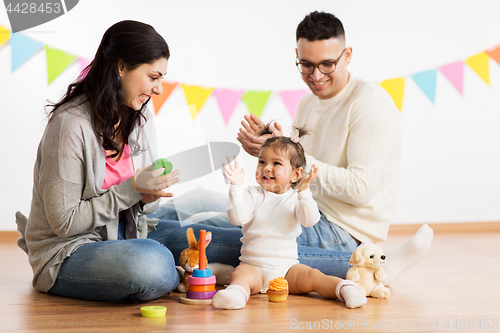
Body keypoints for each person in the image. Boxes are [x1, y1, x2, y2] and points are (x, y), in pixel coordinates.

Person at [150, 11, 433, 285]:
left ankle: (370, 263)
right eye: (306, 64)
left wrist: (292, 161)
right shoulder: (308, 103)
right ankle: (132, 221)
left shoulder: (369, 103)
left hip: (339, 228)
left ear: (347, 56)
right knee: (199, 200)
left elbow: (360, 190)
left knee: (204, 228)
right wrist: (272, 150)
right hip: (296, 205)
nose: (316, 75)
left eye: (327, 64)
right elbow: (294, 177)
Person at [15, 20, 183, 301]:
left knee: (221, 232)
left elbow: (146, 209)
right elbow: (64, 224)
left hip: (127, 231)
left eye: (161, 79)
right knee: (151, 264)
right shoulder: (70, 124)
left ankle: (187, 267)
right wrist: (133, 188)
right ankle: (184, 270)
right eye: (153, 77)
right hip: (70, 249)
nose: (158, 89)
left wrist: (148, 193)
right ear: (121, 67)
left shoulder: (139, 114)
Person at [211, 126, 367, 310]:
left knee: (314, 277)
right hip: (252, 266)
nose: (266, 168)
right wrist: (236, 187)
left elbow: (310, 220)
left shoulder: (296, 198)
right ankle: (236, 294)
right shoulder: (253, 194)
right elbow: (237, 218)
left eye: (276, 163)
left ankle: (346, 289)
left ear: (296, 174)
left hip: (286, 269)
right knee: (239, 276)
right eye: (262, 162)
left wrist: (304, 193)